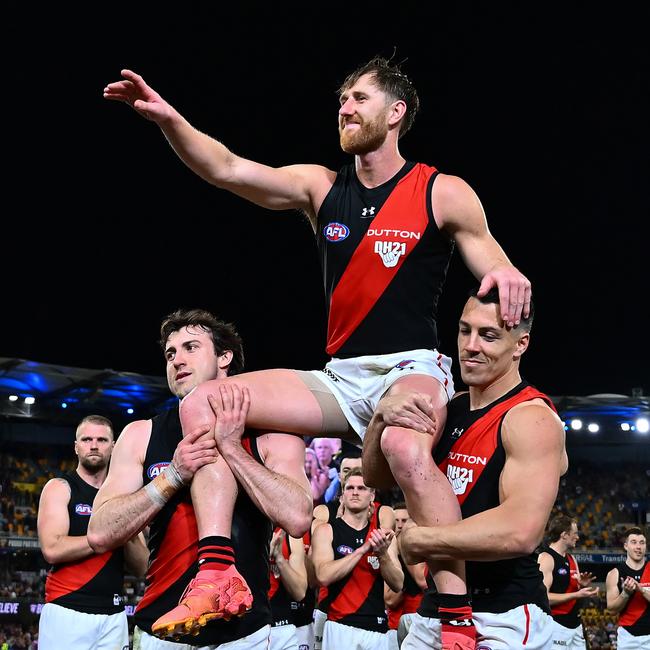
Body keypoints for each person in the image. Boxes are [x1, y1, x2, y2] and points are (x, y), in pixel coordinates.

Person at [104, 56, 531, 648]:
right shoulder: (322, 186)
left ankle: (455, 619)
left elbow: (495, 265)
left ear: (396, 112)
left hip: (410, 368)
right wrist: (170, 119)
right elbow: (227, 168)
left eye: (358, 98)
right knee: (204, 401)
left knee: (405, 447)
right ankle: (217, 570)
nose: (345, 108)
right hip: (341, 378)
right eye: (341, 101)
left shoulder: (441, 191)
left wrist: (510, 275)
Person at [87, 309, 312, 648]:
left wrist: (232, 449)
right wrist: (172, 476)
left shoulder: (272, 434)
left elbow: (297, 518)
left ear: (225, 357)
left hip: (243, 632)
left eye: (191, 347)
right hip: (162, 628)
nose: (177, 360)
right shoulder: (141, 434)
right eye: (170, 353)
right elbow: (100, 532)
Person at [393, 287, 567, 649]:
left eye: (489, 335)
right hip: (437, 608)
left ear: (520, 344)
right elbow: (378, 477)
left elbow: (521, 531)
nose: (471, 345)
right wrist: (382, 420)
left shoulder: (531, 419)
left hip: (503, 614)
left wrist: (422, 540)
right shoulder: (447, 407)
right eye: (464, 330)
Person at [37, 415, 148, 650]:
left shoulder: (124, 496)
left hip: (114, 614)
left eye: (102, 439)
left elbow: (142, 568)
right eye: (86, 439)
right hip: (67, 609)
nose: (94, 445)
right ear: (76, 447)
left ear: (114, 447)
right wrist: (107, 534)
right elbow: (52, 549)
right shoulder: (60, 487)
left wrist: (126, 531)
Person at [311, 469, 403, 650]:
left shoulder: (382, 536)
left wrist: (383, 555)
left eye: (361, 488)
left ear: (372, 495)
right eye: (349, 488)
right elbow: (323, 576)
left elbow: (398, 584)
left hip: (376, 627)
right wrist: (362, 551)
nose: (354, 492)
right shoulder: (326, 530)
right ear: (342, 495)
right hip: (339, 625)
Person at [537, 514, 598, 649]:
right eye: (575, 533)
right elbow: (543, 597)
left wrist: (581, 586)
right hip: (555, 626)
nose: (577, 537)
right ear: (564, 535)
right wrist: (576, 594)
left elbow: (571, 591)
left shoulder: (572, 559)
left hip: (575, 627)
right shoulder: (546, 558)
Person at [384, 503, 426, 649]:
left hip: (421, 622)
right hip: (394, 628)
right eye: (396, 521)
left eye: (405, 521)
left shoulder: (423, 553)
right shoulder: (387, 555)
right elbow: (390, 600)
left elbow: (424, 582)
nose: (400, 525)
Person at [605, 527, 649, 649]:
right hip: (628, 637)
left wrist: (642, 590)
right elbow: (612, 610)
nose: (638, 547)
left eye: (642, 543)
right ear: (625, 546)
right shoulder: (614, 574)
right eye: (634, 542)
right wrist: (625, 593)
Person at [268, 527, 308, 649]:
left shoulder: (290, 534)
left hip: (281, 628)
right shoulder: (239, 527)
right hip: (248, 629)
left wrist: (279, 558)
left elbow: (300, 592)